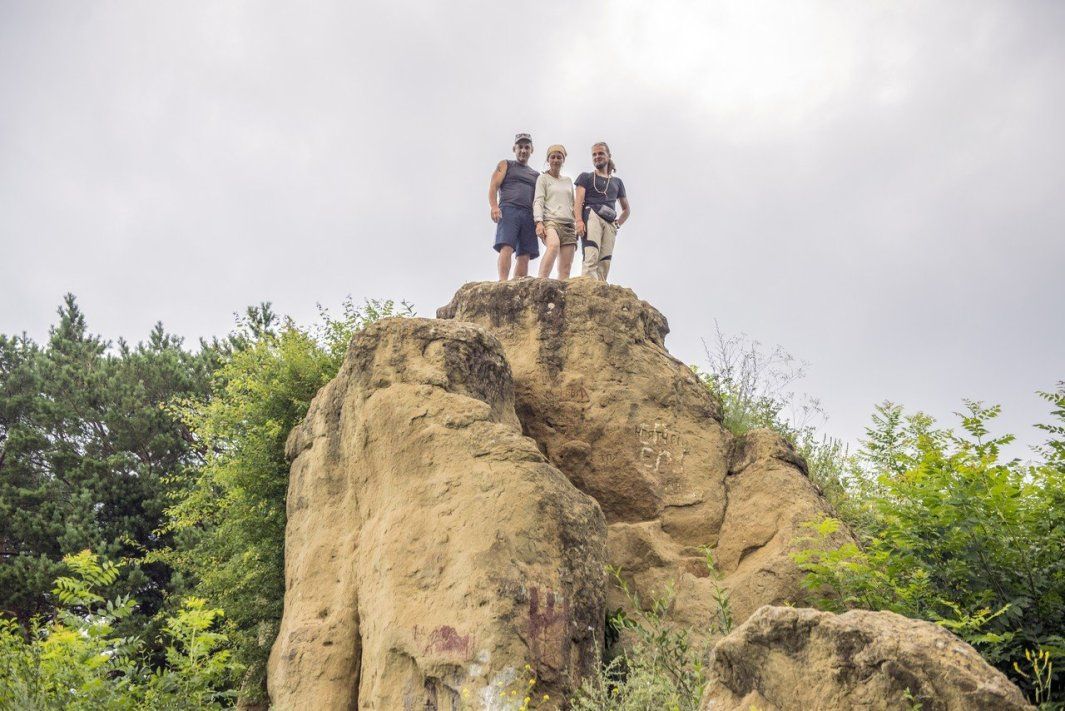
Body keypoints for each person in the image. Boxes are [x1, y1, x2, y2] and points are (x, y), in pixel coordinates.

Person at [574, 141, 630, 282]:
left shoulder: (617, 182)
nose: (597, 156)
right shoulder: (586, 177)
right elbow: (578, 202)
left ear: (608, 156)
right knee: (591, 254)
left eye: (601, 153)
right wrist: (579, 221)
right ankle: (586, 288)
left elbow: (626, 209)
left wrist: (618, 223)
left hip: (610, 221)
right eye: (594, 154)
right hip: (592, 215)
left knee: (605, 261)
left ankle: (600, 290)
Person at [488, 133, 540, 281]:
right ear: (514, 149)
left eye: (527, 147)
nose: (523, 150)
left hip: (529, 213)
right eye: (520, 147)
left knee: (525, 253)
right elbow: (493, 186)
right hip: (509, 209)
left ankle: (518, 285)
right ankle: (503, 281)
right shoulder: (505, 164)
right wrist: (494, 206)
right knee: (507, 246)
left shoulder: (536, 175)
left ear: (531, 150)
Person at [533, 144, 577, 279]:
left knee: (565, 268)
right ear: (548, 160)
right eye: (553, 157)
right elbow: (538, 201)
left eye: (559, 157)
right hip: (550, 222)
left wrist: (578, 222)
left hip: (568, 225)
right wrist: (539, 222)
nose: (556, 160)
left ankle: (561, 291)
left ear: (563, 160)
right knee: (553, 246)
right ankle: (541, 281)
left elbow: (573, 204)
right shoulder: (543, 179)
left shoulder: (568, 181)